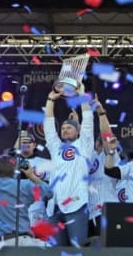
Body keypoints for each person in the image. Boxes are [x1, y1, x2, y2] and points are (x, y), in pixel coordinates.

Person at [44, 83, 94, 247]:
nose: (65, 130)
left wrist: (81, 95)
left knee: (77, 249)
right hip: (54, 207)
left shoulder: (84, 144)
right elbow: (49, 126)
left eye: (69, 128)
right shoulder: (56, 147)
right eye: (63, 128)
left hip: (76, 205)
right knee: (55, 251)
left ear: (78, 131)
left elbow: (88, 119)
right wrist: (51, 100)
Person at [0, 154, 52, 247]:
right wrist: (31, 175)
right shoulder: (24, 186)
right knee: (50, 249)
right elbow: (49, 193)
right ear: (15, 171)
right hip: (20, 242)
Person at [86, 98, 119, 237]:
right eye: (98, 139)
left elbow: (107, 136)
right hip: (87, 216)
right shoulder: (86, 157)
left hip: (108, 212)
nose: (101, 141)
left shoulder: (111, 155)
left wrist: (101, 113)